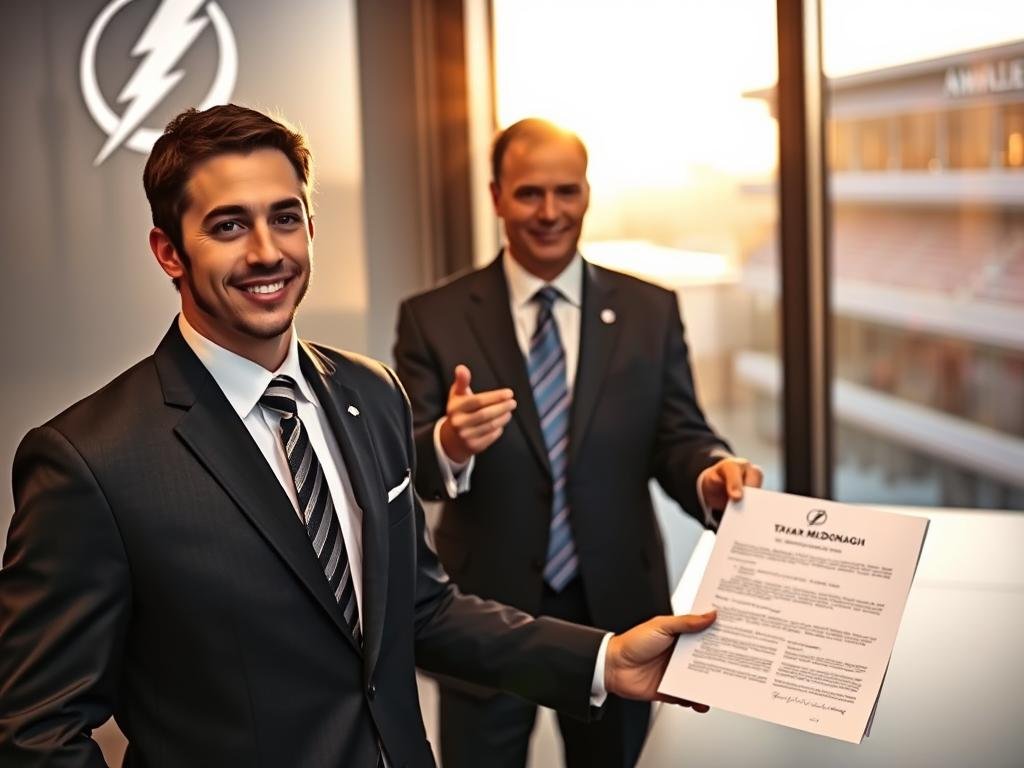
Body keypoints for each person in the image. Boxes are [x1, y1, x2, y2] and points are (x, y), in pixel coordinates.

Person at [0, 105, 719, 768]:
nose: (265, 251)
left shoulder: (370, 394)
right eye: (228, 225)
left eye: (285, 218)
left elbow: (421, 609)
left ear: (311, 228)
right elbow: (38, 728)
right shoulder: (90, 462)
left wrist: (603, 660)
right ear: (168, 251)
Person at [393, 118, 763, 767]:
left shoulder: (651, 309)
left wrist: (709, 472)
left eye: (567, 191)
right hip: (484, 615)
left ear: (588, 193)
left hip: (621, 614)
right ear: (497, 196)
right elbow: (412, 464)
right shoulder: (432, 315)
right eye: (530, 193)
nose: (550, 211)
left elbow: (678, 434)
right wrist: (449, 442)